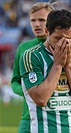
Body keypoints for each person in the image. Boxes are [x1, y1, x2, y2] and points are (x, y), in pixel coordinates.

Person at [20, 9, 71, 133]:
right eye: (58, 38)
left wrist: (68, 65)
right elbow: (41, 99)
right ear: (47, 32)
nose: (63, 43)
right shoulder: (31, 56)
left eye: (68, 38)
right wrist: (58, 64)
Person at [11, 2, 54, 133]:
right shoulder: (23, 48)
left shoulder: (61, 47)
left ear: (51, 21)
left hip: (54, 118)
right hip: (28, 118)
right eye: (33, 20)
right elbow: (15, 81)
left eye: (41, 20)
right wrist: (29, 92)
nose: (36, 24)